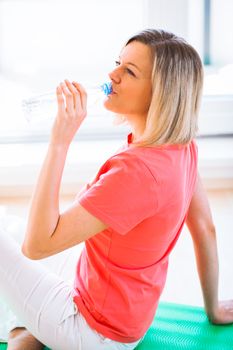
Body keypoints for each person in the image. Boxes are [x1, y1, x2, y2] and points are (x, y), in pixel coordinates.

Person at [0, 28, 233, 350]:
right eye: (117, 63)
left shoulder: (136, 173)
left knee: (15, 243)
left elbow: (37, 246)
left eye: (129, 71)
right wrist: (213, 309)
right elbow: (206, 228)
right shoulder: (181, 146)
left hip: (92, 332)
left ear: (160, 93)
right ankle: (26, 333)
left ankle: (26, 332)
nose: (112, 75)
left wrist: (59, 141)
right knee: (11, 228)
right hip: (128, 319)